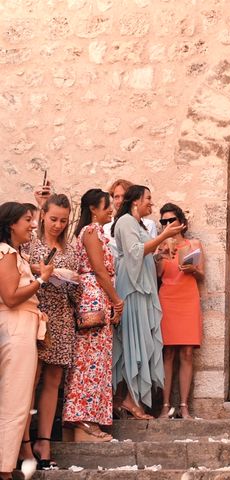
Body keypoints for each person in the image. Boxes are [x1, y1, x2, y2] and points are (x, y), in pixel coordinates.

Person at [111, 185, 184, 418]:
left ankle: (133, 399)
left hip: (142, 287)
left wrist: (157, 255)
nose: (151, 204)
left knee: (143, 341)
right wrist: (164, 236)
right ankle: (129, 401)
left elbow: (142, 253)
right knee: (134, 341)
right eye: (148, 199)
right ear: (135, 202)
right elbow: (133, 252)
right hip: (132, 288)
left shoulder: (139, 224)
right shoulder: (124, 222)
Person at [62, 189, 123, 441]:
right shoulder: (92, 231)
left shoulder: (91, 232)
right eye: (106, 206)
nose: (111, 209)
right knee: (90, 361)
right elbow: (99, 270)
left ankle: (87, 418)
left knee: (95, 361)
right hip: (95, 298)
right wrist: (117, 300)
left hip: (97, 296)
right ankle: (83, 420)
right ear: (93, 209)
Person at [24, 194, 79, 467]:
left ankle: (43, 441)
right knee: (29, 381)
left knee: (53, 382)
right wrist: (39, 270)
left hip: (62, 317)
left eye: (63, 220)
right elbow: (17, 271)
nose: (57, 225)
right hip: (35, 315)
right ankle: (23, 441)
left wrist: (71, 280)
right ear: (42, 215)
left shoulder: (71, 249)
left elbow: (77, 281)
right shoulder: (28, 243)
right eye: (53, 219)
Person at [0, 202, 53, 480]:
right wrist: (41, 281)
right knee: (15, 400)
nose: (33, 225)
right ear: (11, 225)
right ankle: (5, 469)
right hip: (15, 329)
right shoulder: (6, 252)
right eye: (27, 220)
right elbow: (10, 296)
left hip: (17, 325)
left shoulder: (14, 255)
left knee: (14, 399)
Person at [156, 203, 204, 420]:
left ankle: (184, 406)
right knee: (167, 353)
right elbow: (157, 277)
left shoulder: (193, 244)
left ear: (181, 223)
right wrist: (160, 255)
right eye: (163, 221)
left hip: (188, 299)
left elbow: (201, 275)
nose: (167, 224)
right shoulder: (159, 246)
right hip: (167, 299)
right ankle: (165, 406)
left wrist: (193, 268)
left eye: (170, 220)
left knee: (186, 353)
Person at [104, 179, 157, 251]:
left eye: (124, 196)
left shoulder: (148, 224)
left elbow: (151, 253)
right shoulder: (106, 227)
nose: (120, 200)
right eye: (116, 197)